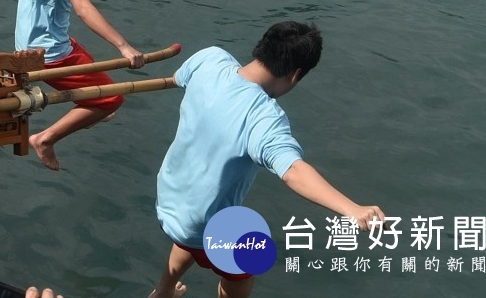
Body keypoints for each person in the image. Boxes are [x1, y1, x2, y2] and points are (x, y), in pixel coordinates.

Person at [148, 22, 385, 298]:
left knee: (200, 226)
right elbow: (293, 171)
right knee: (251, 257)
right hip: (202, 223)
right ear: (296, 74)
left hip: (170, 199)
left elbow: (179, 77)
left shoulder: (209, 59)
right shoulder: (264, 118)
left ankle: (163, 292)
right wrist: (352, 209)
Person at [14, 0, 145, 171]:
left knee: (90, 70)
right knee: (114, 98)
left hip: (26, 42)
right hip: (50, 54)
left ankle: (94, 107)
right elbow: (84, 9)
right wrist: (124, 46)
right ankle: (45, 139)